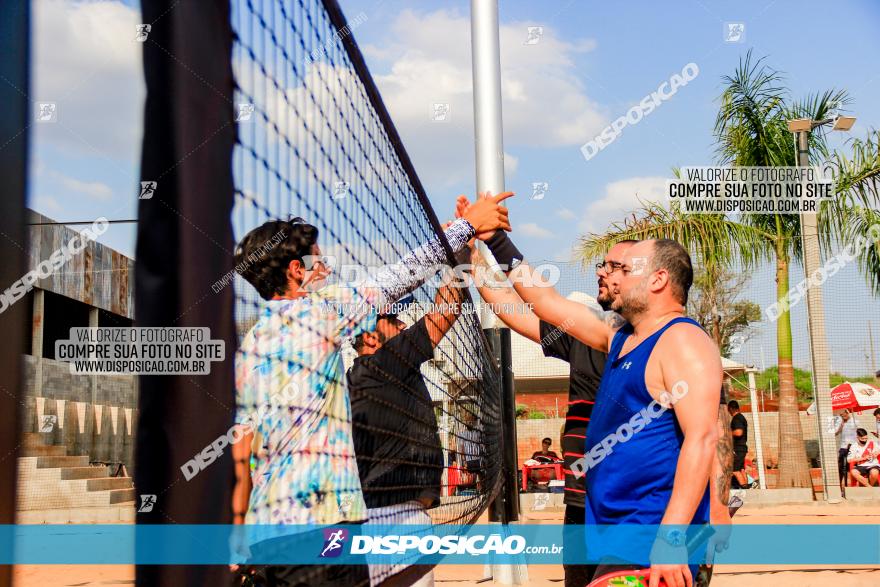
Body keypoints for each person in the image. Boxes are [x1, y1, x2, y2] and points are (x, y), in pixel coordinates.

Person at [229, 193, 511, 586]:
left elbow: (242, 448)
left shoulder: (252, 343)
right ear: (296, 270)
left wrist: (236, 533)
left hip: (269, 529)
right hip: (322, 527)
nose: (325, 267)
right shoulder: (317, 313)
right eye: (317, 260)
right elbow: (398, 277)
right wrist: (466, 228)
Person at [465, 209, 720, 587]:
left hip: (650, 538)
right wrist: (493, 240)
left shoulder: (682, 340)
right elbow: (545, 301)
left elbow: (703, 439)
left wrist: (672, 538)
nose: (613, 278)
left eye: (625, 269)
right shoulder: (618, 336)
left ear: (658, 279)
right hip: (615, 534)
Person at [466, 234, 635, 587]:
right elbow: (515, 307)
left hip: (632, 507)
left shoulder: (667, 341)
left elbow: (704, 432)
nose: (602, 272)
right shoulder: (588, 333)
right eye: (601, 265)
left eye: (615, 266)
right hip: (579, 504)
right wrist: (471, 259)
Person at [347, 284, 464, 587]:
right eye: (394, 319)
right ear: (370, 336)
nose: (403, 324)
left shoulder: (365, 375)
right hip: (394, 520)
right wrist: (461, 255)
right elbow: (447, 311)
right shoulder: (384, 365)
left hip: (376, 516)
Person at [833, 408, 858, 490]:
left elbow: (859, 432)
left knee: (851, 466)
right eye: (841, 415)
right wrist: (841, 425)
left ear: (848, 413)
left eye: (844, 415)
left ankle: (852, 485)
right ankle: (839, 484)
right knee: (840, 466)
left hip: (853, 447)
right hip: (843, 447)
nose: (843, 416)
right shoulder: (840, 422)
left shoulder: (855, 421)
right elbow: (835, 433)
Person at [727, 401, 749, 489]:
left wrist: (727, 433)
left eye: (729, 410)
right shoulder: (741, 417)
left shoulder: (736, 418)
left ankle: (744, 489)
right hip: (742, 448)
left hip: (738, 448)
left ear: (731, 409)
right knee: (741, 470)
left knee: (735, 470)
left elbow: (739, 432)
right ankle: (748, 491)